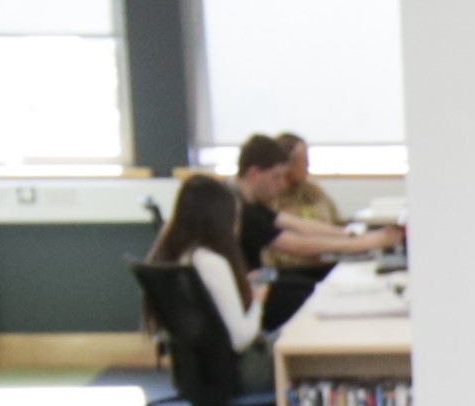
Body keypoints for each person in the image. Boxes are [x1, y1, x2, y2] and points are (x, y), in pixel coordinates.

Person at [229, 132, 393, 329]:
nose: (282, 184)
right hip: (250, 293)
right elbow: (297, 245)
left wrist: (350, 235)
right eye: (276, 177)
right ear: (254, 173)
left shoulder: (252, 203)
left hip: (260, 281)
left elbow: (298, 225)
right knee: (318, 296)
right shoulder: (239, 208)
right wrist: (368, 242)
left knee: (319, 289)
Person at [146, 173, 268, 356]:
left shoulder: (176, 256)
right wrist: (258, 301)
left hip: (191, 371)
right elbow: (240, 339)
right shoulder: (211, 263)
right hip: (235, 369)